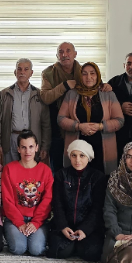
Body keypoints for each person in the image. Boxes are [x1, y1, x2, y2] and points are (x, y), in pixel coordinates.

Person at [57, 62, 124, 174]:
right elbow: (61, 119)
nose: (88, 77)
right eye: (84, 74)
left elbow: (120, 120)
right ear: (80, 76)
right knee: (76, 179)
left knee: (102, 180)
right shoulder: (71, 94)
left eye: (92, 73)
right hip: (77, 149)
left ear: (98, 75)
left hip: (102, 148)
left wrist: (100, 126)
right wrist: (78, 126)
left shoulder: (108, 94)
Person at [49, 140, 105, 262]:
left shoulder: (97, 177)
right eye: (74, 155)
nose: (77, 160)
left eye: (82, 155)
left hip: (89, 229)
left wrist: (85, 230)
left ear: (88, 157)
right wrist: (63, 226)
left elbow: (97, 208)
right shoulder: (61, 175)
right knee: (60, 251)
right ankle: (73, 246)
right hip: (65, 226)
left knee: (92, 253)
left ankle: (77, 245)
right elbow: (57, 204)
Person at [0, 131, 53, 256]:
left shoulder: (45, 170)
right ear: (18, 149)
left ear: (36, 148)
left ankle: (35, 236)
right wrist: (19, 223)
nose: (27, 151)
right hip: (14, 219)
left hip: (38, 220)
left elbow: (47, 199)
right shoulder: (9, 169)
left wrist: (36, 222)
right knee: (19, 248)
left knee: (36, 249)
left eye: (31, 147)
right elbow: (7, 200)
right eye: (23, 147)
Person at [0, 58, 51, 164]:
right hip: (11, 141)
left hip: (32, 141)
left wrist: (45, 146)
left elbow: (46, 124)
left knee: (30, 172)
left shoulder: (39, 95)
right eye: (19, 69)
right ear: (15, 72)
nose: (22, 72)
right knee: (11, 171)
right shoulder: (5, 94)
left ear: (31, 73)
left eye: (26, 69)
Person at [40, 42, 82, 171]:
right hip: (57, 129)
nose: (64, 55)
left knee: (80, 167)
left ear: (75, 54)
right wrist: (64, 86)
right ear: (57, 56)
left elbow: (96, 88)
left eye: (68, 51)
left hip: (81, 127)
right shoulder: (48, 73)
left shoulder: (84, 72)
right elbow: (45, 97)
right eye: (61, 52)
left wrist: (105, 86)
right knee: (58, 169)